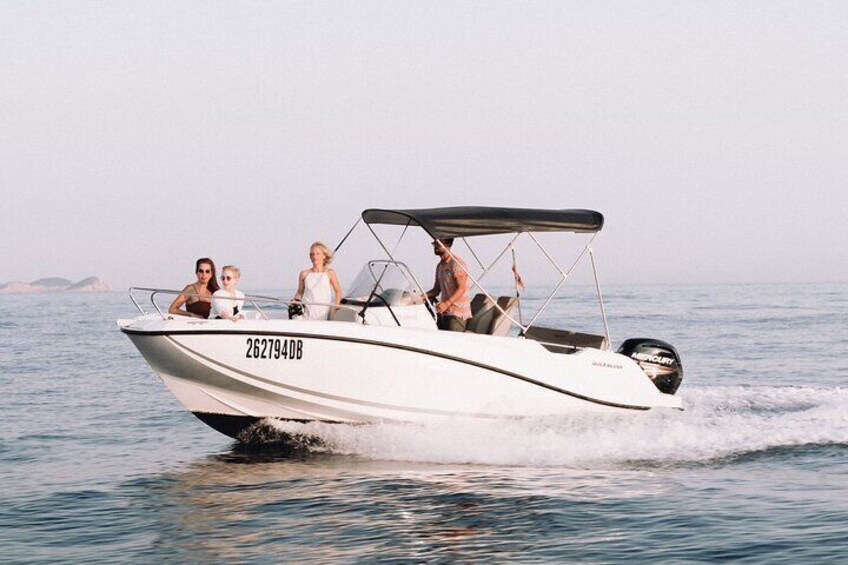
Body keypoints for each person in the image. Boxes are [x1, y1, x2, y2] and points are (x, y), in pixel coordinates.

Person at [424, 238, 472, 331]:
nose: (435, 246)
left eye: (437, 244)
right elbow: (436, 290)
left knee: (451, 341)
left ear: (447, 244)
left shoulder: (457, 263)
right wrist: (421, 297)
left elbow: (462, 288)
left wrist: (446, 304)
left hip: (457, 314)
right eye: (434, 244)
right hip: (445, 312)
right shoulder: (440, 266)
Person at [293, 241, 342, 320]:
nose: (314, 256)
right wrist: (294, 303)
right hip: (306, 312)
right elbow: (300, 292)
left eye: (317, 254)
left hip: (322, 312)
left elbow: (338, 291)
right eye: (312, 254)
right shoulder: (304, 274)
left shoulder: (330, 273)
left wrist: (336, 306)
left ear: (324, 256)